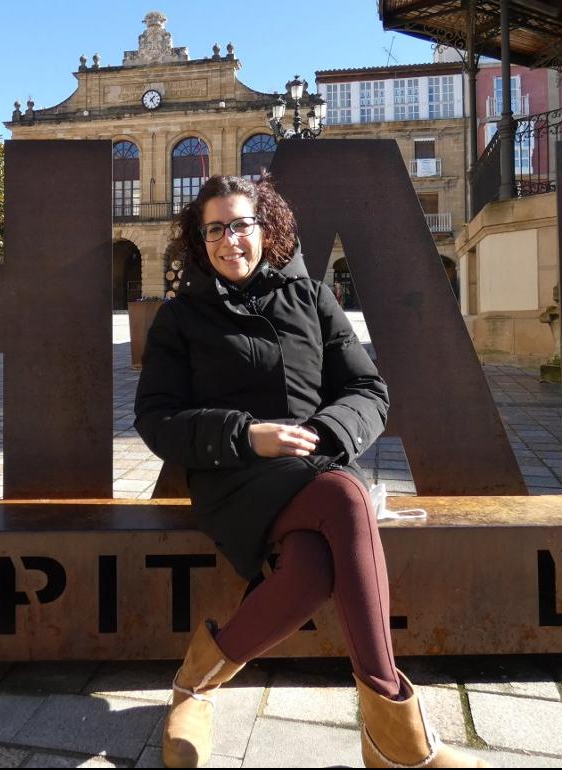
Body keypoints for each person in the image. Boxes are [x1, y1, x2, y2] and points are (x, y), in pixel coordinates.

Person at [134, 174, 485, 769]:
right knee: (347, 498)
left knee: (311, 568)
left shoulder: (312, 297)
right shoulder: (180, 318)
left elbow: (368, 390)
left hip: (313, 468)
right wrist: (246, 434)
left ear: (265, 228)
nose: (229, 242)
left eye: (240, 225)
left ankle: (195, 683)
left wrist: (322, 433)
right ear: (200, 240)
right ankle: (397, 734)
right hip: (233, 479)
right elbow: (156, 419)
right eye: (213, 229)